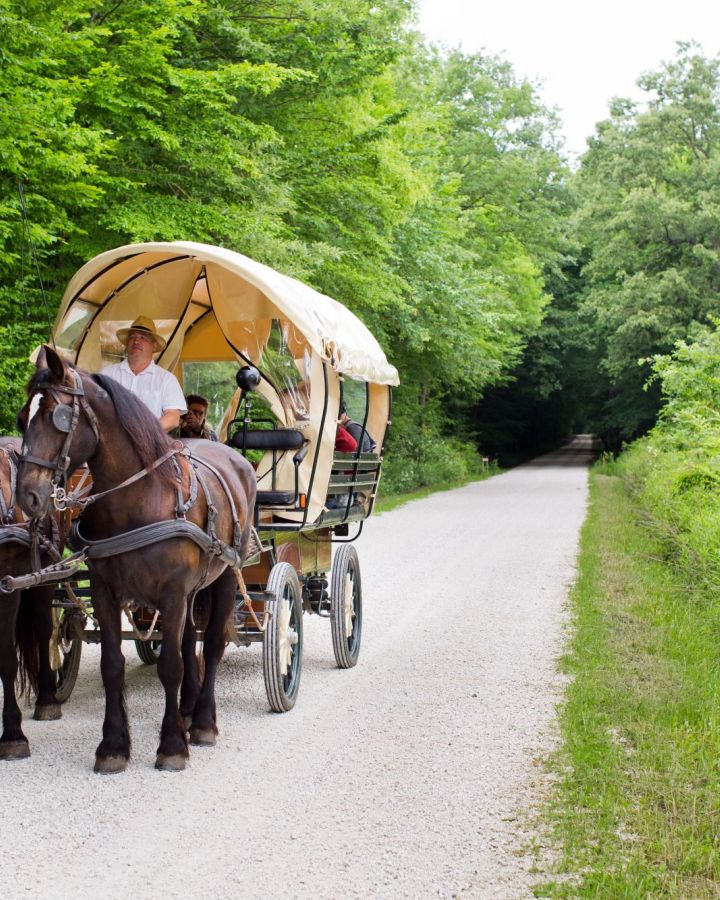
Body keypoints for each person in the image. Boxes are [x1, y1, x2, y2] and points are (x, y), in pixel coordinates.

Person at [100, 315, 186, 432]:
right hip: (111, 444)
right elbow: (95, 408)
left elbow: (173, 418)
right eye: (132, 337)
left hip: (150, 445)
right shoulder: (106, 374)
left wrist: (143, 433)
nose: (136, 341)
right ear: (126, 343)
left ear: (154, 346)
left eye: (143, 338)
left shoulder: (167, 379)